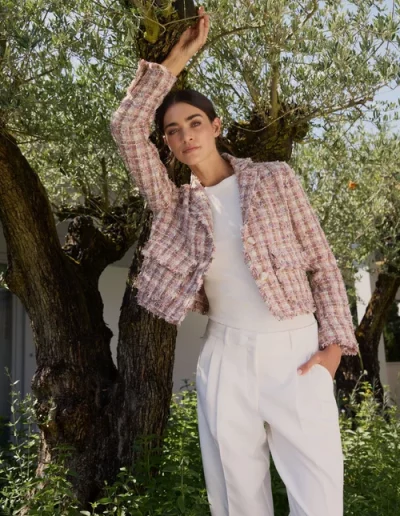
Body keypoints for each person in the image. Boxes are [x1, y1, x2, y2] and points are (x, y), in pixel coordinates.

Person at [110, 6, 359, 515]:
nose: (186, 136)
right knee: (236, 498)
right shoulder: (175, 205)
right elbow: (125, 127)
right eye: (173, 130)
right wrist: (177, 60)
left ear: (216, 126)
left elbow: (322, 263)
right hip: (226, 356)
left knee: (319, 500)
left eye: (195, 123)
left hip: (296, 350)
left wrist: (334, 348)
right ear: (167, 143)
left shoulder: (274, 179)